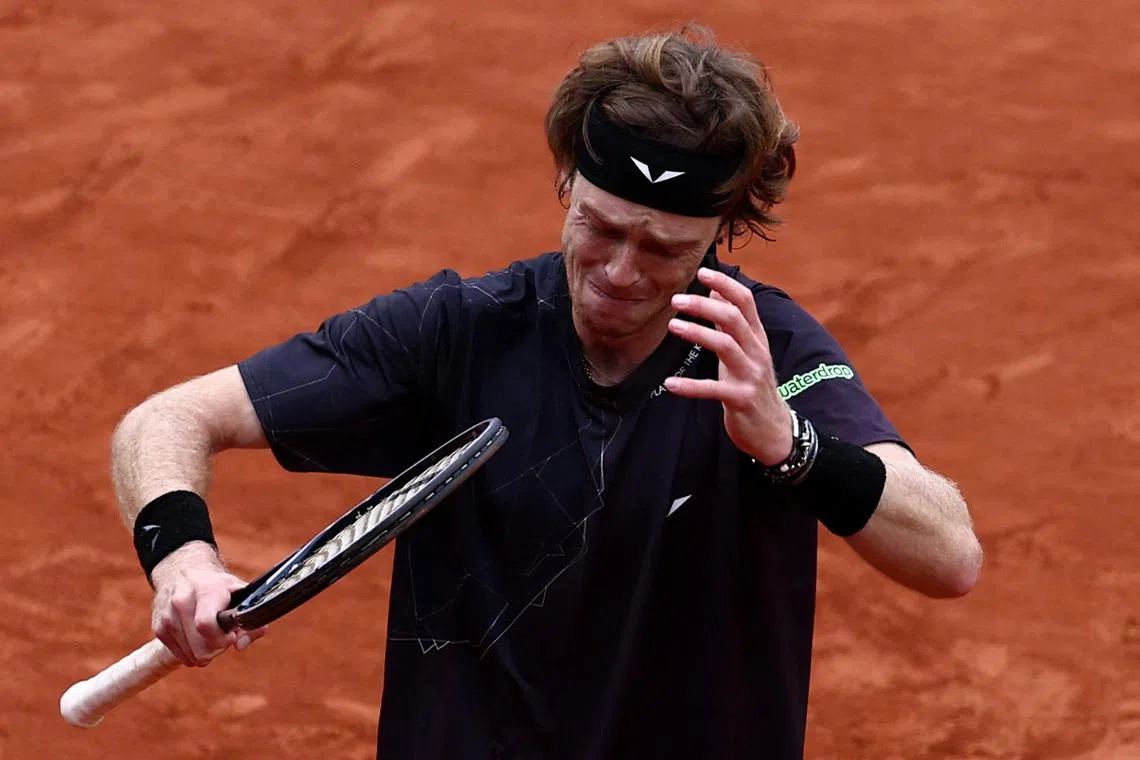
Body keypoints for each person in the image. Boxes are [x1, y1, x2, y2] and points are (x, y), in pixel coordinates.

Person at [111, 24, 983, 760]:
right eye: (599, 228)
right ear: (566, 180)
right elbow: (170, 417)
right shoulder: (456, 330)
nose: (619, 272)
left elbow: (951, 554)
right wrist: (181, 555)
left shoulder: (767, 350)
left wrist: (792, 444)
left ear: (727, 231)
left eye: (665, 249)